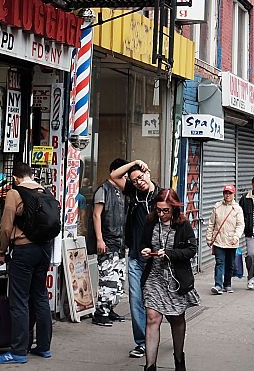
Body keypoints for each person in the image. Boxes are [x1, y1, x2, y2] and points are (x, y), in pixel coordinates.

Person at [0, 162, 56, 363]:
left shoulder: (14, 192)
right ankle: (44, 347)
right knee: (40, 297)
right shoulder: (44, 191)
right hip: (45, 249)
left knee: (18, 299)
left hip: (24, 250)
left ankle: (18, 351)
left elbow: (5, 227)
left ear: (15, 177)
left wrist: (2, 251)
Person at [141, 188, 199, 371]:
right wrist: (144, 251)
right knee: (152, 318)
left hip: (175, 279)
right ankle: (150, 366)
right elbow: (143, 243)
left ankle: (179, 359)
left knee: (176, 318)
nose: (161, 213)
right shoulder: (151, 222)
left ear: (173, 208)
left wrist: (170, 254)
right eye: (158, 209)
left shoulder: (183, 225)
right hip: (154, 276)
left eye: (165, 210)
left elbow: (191, 250)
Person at [110, 158, 157, 359]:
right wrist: (134, 163)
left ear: (148, 173)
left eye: (140, 177)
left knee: (160, 302)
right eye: (134, 180)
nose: (138, 182)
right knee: (136, 300)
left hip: (157, 260)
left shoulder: (161, 196)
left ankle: (175, 329)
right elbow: (113, 176)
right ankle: (142, 342)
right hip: (137, 258)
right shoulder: (133, 192)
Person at [92, 158, 129, 326]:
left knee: (118, 280)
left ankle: (110, 308)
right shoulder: (103, 189)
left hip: (120, 242)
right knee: (107, 279)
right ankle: (101, 313)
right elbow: (96, 214)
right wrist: (99, 239)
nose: (125, 179)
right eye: (123, 175)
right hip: (108, 240)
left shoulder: (122, 191)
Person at [204, 184, 244, 294]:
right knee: (219, 262)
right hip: (219, 240)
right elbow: (211, 223)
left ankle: (227, 284)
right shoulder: (217, 207)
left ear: (233, 194)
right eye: (226, 193)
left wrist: (236, 237)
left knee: (230, 264)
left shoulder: (237, 209)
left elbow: (240, 225)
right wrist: (209, 238)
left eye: (230, 193)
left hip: (231, 241)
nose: (227, 195)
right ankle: (218, 285)